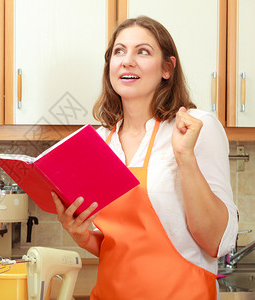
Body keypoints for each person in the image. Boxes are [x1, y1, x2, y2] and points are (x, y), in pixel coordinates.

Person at [52, 16, 238, 300]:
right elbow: (123, 246)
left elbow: (215, 243)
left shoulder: (194, 127)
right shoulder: (99, 142)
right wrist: (83, 236)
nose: (127, 61)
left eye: (143, 51)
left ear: (167, 68)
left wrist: (185, 157)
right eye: (119, 51)